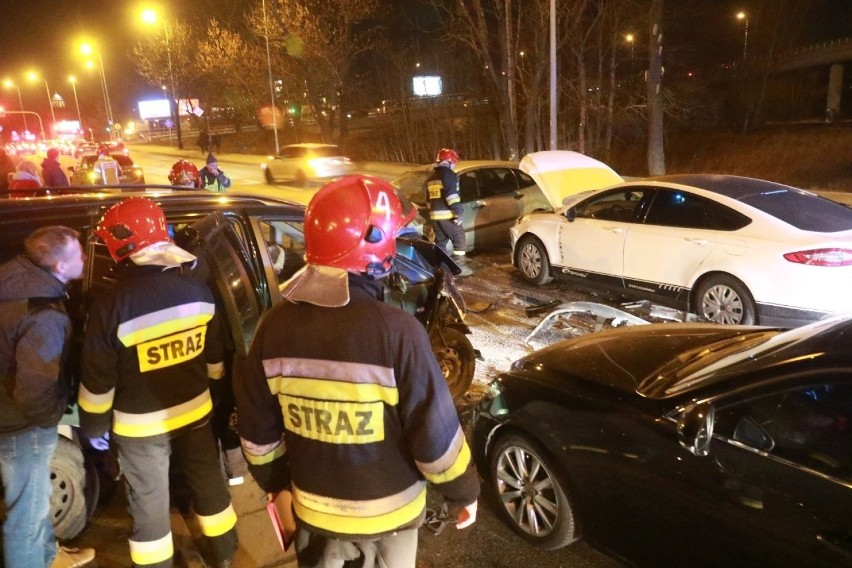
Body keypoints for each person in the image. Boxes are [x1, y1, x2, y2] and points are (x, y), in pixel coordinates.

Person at [234, 175, 479, 568]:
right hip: (392, 520)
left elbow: (256, 434)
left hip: (312, 515)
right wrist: (463, 491)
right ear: (374, 242)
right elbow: (436, 438)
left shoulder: (273, 327)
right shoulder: (398, 332)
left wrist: (276, 484)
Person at [78, 197, 238, 568]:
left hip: (140, 428)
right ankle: (225, 553)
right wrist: (213, 394)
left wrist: (94, 427)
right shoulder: (196, 291)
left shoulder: (112, 305)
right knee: (208, 483)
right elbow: (214, 357)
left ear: (120, 244)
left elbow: (97, 381)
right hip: (196, 412)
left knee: (149, 501)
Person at [0, 226, 95, 568]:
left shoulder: (12, 279)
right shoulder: (43, 315)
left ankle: (48, 556)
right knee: (27, 512)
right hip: (21, 425)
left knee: (35, 501)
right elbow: (34, 388)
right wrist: (52, 414)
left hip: (7, 413)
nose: (84, 258)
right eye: (78, 255)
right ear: (58, 266)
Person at [425, 148, 472, 277]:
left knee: (440, 242)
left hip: (435, 216)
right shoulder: (449, 175)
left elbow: (428, 201)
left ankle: (442, 268)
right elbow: (451, 196)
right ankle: (460, 267)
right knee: (460, 240)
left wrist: (435, 213)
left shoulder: (431, 178)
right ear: (451, 161)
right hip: (448, 216)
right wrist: (458, 211)